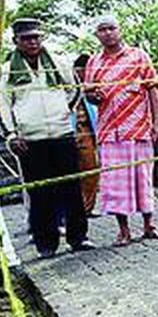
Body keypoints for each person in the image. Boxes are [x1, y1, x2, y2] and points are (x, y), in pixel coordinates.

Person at [0, 18, 93, 257]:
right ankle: (46, 244)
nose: (32, 42)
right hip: (30, 140)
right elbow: (2, 106)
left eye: (36, 37)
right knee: (40, 194)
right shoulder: (7, 71)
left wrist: (64, 111)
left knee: (71, 188)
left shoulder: (58, 62)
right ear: (16, 41)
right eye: (26, 38)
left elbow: (75, 88)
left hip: (62, 133)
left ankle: (78, 237)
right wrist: (11, 135)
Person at [83, 14, 158, 247]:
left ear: (120, 30)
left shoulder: (138, 56)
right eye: (102, 30)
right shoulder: (94, 62)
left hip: (139, 128)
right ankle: (123, 230)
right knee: (116, 181)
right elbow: (88, 93)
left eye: (111, 28)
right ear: (97, 35)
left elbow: (153, 89)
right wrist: (93, 96)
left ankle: (149, 225)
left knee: (143, 178)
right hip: (110, 131)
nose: (107, 33)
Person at [70, 53, 100, 215]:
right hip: (67, 132)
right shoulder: (67, 84)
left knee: (91, 169)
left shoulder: (93, 87)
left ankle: (86, 208)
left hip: (87, 131)